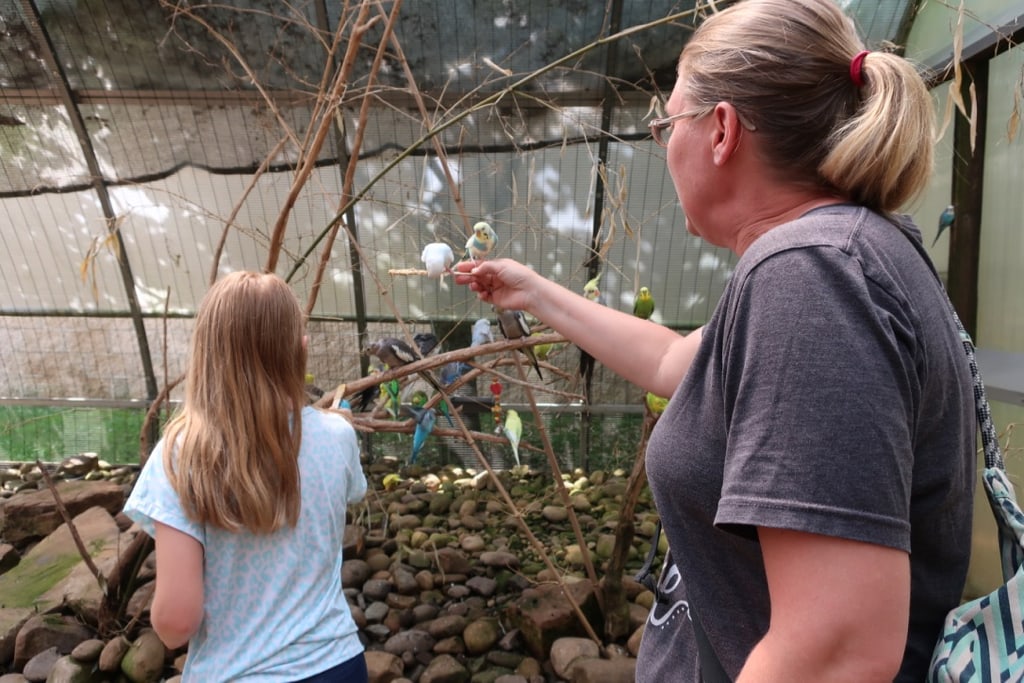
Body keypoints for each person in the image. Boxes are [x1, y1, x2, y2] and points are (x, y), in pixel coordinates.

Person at [456, 0, 975, 680]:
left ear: (721, 130)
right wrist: (533, 292)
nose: (664, 141)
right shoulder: (849, 253)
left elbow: (836, 651)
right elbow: (676, 362)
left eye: (667, 122)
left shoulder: (811, 279)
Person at [124, 271, 368, 682]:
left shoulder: (181, 454)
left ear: (204, 353)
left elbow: (176, 623)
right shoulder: (338, 435)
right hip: (338, 664)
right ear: (300, 352)